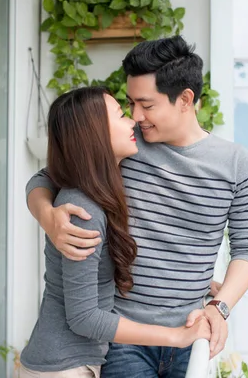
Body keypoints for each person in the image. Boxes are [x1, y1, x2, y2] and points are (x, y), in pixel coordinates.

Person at [26, 36, 248, 378]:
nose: (136, 115)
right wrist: (47, 216)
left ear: (184, 99)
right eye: (131, 104)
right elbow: (47, 176)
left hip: (191, 327)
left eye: (147, 105)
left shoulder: (236, 163)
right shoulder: (125, 144)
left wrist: (220, 306)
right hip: (121, 335)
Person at [19, 86, 211, 378]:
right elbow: (84, 317)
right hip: (63, 367)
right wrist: (176, 337)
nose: (133, 120)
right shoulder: (82, 211)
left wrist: (200, 282)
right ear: (94, 133)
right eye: (121, 115)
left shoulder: (99, 191)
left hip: (74, 363)